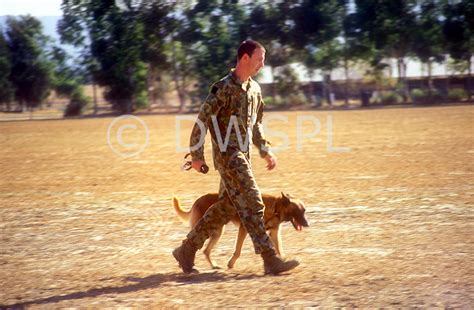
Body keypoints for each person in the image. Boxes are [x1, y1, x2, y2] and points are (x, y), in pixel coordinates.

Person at [173, 40, 299, 275]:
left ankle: (186, 250)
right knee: (254, 199)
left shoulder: (255, 90)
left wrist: (265, 149)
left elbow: (256, 125)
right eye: (260, 59)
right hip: (227, 155)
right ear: (244, 58)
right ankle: (270, 258)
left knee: (224, 209)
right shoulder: (222, 88)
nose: (263, 64)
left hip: (244, 156)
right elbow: (202, 119)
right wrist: (197, 155)